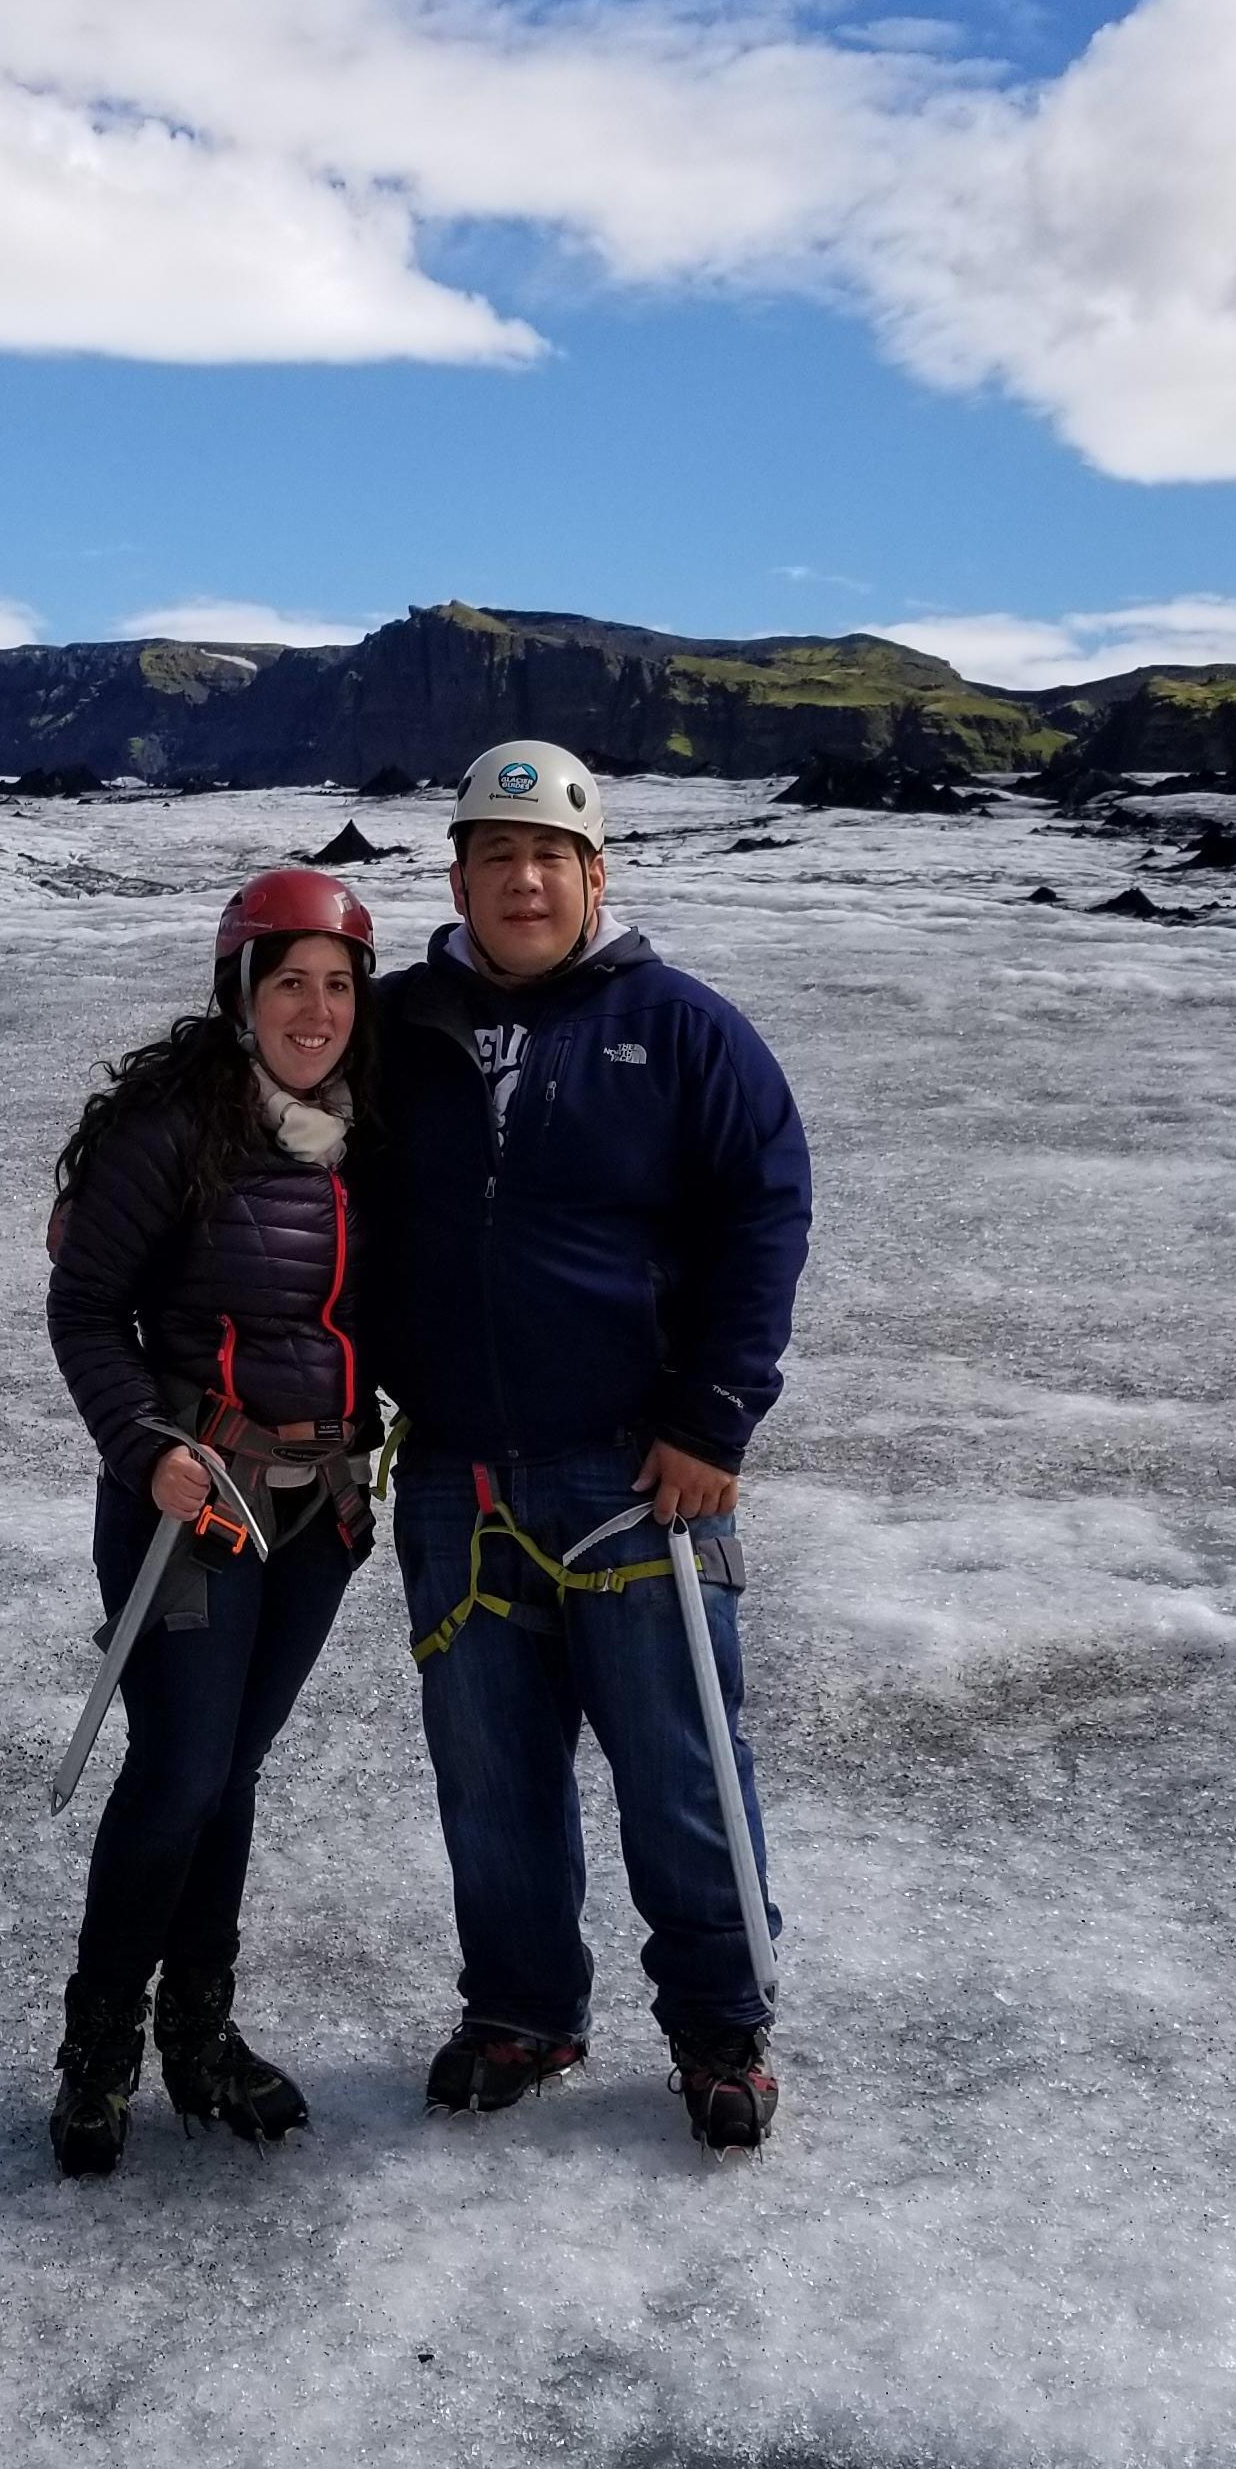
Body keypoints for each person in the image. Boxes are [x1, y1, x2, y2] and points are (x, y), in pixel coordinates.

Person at [362, 741, 814, 2150]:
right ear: (458, 877)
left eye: (547, 856)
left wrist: (711, 1418)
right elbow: (256, 1130)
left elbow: (765, 1215)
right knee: (490, 1778)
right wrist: (108, 1187)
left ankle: (721, 2028)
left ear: (594, 874)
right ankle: (521, 2009)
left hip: (636, 1471)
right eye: (495, 857)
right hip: (452, 1470)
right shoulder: (393, 1026)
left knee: (681, 1770)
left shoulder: (683, 1029)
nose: (522, 880)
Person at [40, 868, 388, 2179]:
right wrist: (143, 1445)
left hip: (320, 1510)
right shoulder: (178, 1127)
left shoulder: (367, 1132)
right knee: (182, 1772)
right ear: (240, 990)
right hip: (196, 1504)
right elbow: (88, 1313)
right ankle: (100, 2056)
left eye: (339, 984)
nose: (316, 1007)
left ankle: (201, 2038)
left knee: (228, 1778)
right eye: (288, 979)